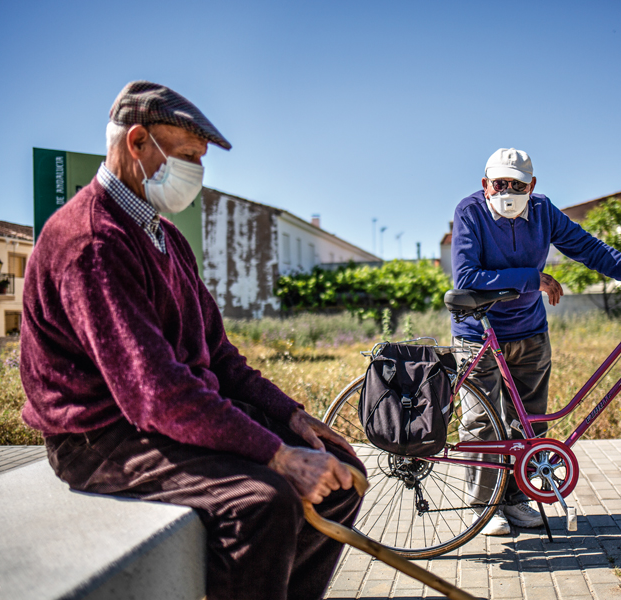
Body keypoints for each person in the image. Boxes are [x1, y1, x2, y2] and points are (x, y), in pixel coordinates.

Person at [20, 81, 364, 600]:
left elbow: (220, 356)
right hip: (101, 436)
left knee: (341, 471)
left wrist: (293, 418)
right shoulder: (91, 239)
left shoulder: (166, 236)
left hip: (164, 416)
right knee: (261, 501)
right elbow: (153, 393)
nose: (195, 173)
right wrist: (278, 456)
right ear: (137, 142)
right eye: (185, 156)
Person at [451, 148, 621, 536]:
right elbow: (466, 277)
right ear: (485, 184)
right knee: (482, 422)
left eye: (517, 184)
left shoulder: (543, 211)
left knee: (527, 423)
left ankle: (516, 500)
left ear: (531, 186)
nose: (508, 189)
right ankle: (484, 508)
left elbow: (591, 249)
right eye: (500, 182)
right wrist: (530, 279)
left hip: (529, 332)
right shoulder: (471, 212)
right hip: (478, 333)